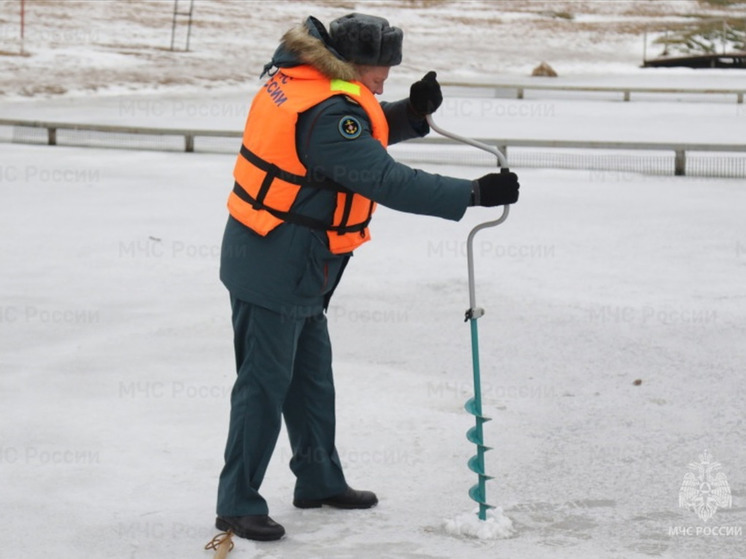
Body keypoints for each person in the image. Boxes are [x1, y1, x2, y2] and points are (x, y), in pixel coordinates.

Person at [215, 12, 520, 542]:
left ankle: (318, 480)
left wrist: (412, 112)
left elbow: (361, 126)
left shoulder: (311, 83)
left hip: (300, 258)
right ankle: (236, 503)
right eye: (380, 71)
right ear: (349, 63)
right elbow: (382, 176)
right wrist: (470, 194)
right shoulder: (328, 111)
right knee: (263, 386)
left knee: (310, 381)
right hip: (274, 261)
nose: (384, 79)